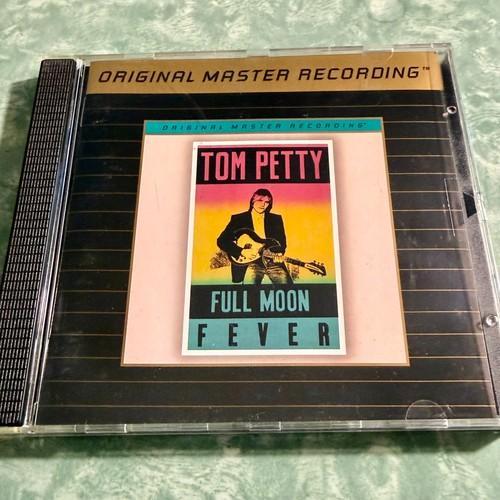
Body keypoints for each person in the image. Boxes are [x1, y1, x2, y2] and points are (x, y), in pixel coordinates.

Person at [217, 188, 292, 284]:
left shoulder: (276, 219)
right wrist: (241, 251)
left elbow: (282, 242)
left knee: (287, 289)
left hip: (272, 261)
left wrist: (280, 253)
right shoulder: (238, 219)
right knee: (249, 291)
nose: (263, 204)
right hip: (249, 263)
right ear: (252, 201)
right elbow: (222, 240)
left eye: (267, 202)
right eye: (260, 200)